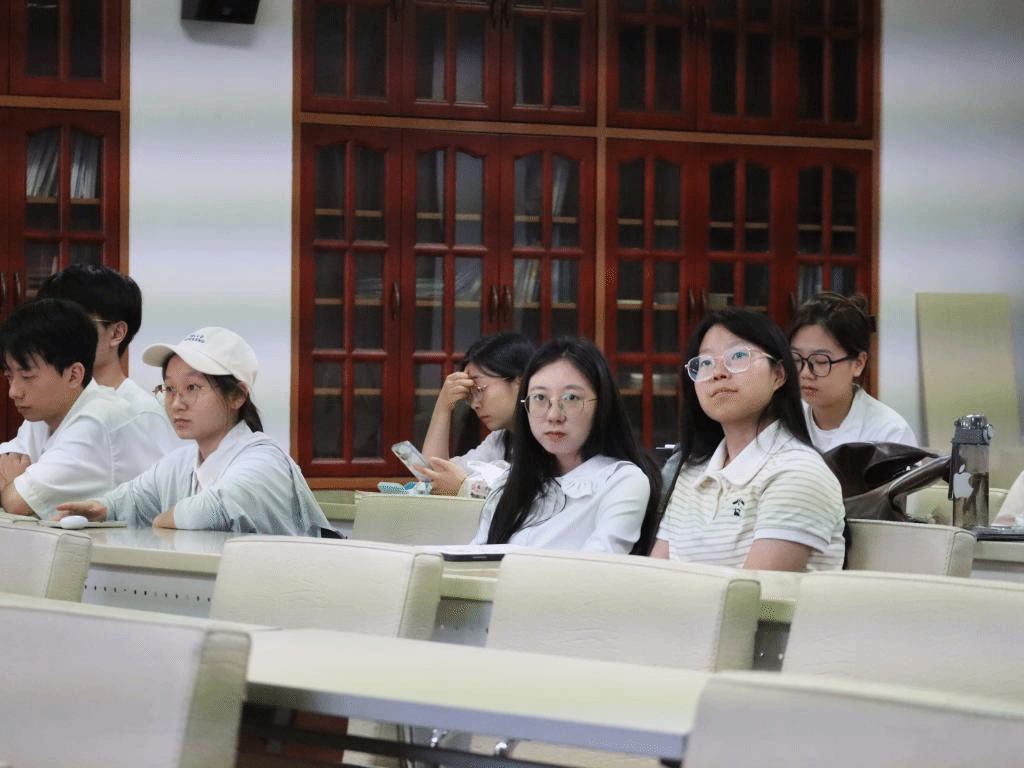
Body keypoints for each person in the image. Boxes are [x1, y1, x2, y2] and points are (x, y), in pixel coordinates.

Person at [56, 327, 330, 536]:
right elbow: (130, 500)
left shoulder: (265, 460)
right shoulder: (181, 463)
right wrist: (101, 509)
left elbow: (211, 512)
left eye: (192, 388)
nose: (177, 403)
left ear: (237, 396)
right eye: (170, 389)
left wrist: (163, 520)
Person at [651, 308, 845, 570]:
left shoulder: (798, 472)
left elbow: (754, 592)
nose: (718, 372)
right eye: (705, 362)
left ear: (778, 375)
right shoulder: (692, 472)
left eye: (738, 356)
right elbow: (655, 575)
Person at [470, 337, 662, 555]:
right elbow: (475, 556)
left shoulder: (622, 480)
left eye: (571, 398)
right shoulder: (510, 480)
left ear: (602, 405)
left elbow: (598, 566)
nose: (554, 415)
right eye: (540, 397)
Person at [0, 298, 169, 518]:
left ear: (74, 375)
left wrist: (11, 483)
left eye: (27, 377)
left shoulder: (97, 421)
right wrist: (12, 482)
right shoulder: (42, 416)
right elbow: (7, 463)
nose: (14, 392)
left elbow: (16, 502)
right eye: (9, 377)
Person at [35, 263, 181, 451]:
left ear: (116, 333)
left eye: (71, 324)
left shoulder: (140, 415)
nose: (55, 336)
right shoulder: (47, 402)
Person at [789, 291, 916, 452]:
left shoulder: (890, 433)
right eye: (797, 359)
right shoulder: (785, 422)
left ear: (858, 363)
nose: (805, 373)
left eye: (820, 361)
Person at [418, 331, 535, 496]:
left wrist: (464, 486)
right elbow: (432, 476)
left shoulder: (549, 434)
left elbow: (534, 496)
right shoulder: (501, 439)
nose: (475, 404)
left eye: (479, 389)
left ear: (519, 382)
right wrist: (443, 407)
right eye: (469, 395)